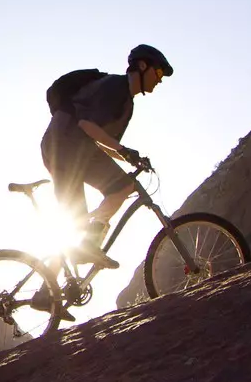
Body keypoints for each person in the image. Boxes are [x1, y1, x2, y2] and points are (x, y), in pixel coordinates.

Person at [40, 45, 173, 269]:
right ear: (142, 66)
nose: (159, 80)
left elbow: (101, 141)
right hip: (65, 146)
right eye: (158, 73)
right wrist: (123, 151)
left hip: (72, 150)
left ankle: (47, 291)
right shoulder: (115, 86)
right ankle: (90, 244)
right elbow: (85, 124)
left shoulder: (127, 104)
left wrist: (129, 157)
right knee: (118, 190)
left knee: (76, 223)